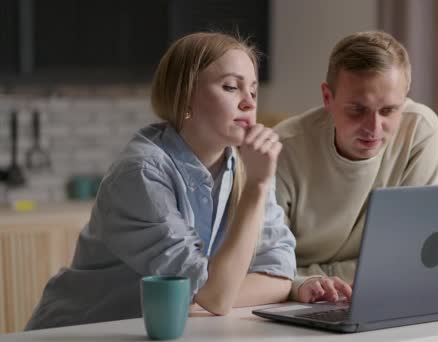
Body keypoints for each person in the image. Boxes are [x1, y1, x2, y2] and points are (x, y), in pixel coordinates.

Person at [25, 32, 296, 330]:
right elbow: (216, 297)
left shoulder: (248, 165)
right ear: (185, 96)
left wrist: (205, 298)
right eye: (231, 87)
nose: (248, 103)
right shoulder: (141, 172)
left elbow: (279, 275)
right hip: (78, 333)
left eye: (254, 92)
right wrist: (257, 189)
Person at [274, 31, 438, 303]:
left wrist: (309, 274)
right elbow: (265, 265)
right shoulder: (282, 148)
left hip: (382, 296)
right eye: (357, 110)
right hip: (296, 300)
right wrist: (304, 282)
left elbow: (413, 257)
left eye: (389, 110)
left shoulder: (420, 131)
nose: (373, 128)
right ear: (327, 98)